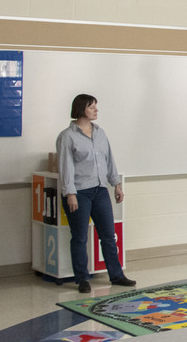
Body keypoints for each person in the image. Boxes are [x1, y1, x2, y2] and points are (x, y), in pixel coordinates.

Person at [56, 94, 136, 293]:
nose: (96, 110)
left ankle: (116, 275)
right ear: (82, 109)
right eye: (92, 107)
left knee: (108, 235)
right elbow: (65, 167)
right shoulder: (67, 136)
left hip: (100, 190)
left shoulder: (100, 133)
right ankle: (82, 279)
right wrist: (70, 193)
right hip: (79, 192)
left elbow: (109, 160)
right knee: (80, 237)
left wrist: (116, 184)